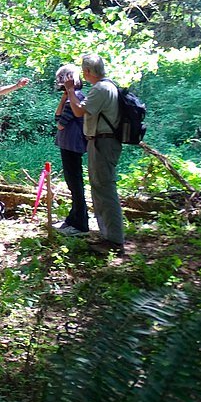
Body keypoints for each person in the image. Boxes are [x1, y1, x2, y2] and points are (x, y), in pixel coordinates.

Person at [63, 53, 124, 254]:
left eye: (84, 70)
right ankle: (107, 235)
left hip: (103, 143)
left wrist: (70, 91)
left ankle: (114, 240)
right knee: (100, 187)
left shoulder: (101, 89)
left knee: (104, 188)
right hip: (102, 142)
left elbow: (79, 111)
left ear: (88, 71)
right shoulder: (109, 86)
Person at [54, 64, 88, 236]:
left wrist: (69, 93)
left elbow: (60, 124)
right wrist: (65, 95)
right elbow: (57, 116)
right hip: (68, 145)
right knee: (72, 183)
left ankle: (81, 223)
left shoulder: (77, 98)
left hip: (73, 146)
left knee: (75, 184)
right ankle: (73, 218)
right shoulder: (70, 98)